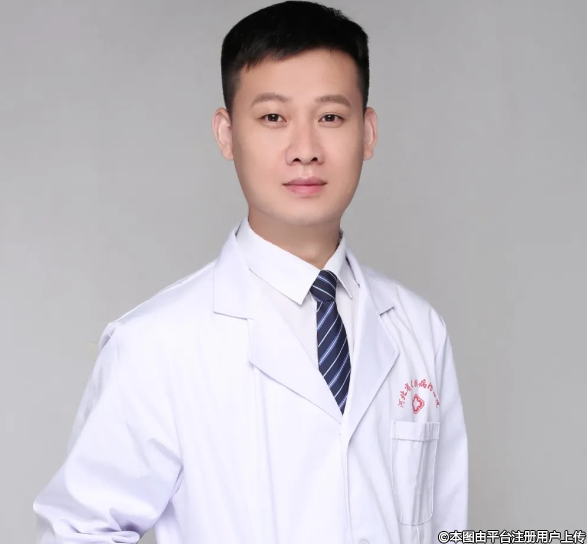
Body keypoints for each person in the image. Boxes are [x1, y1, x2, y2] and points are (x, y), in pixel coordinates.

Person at [33, 1, 468, 543]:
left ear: (368, 132)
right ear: (226, 133)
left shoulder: (419, 329)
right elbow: (78, 530)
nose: (305, 150)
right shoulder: (154, 344)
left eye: (331, 117)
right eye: (273, 118)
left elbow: (447, 527)